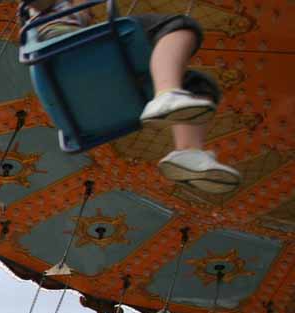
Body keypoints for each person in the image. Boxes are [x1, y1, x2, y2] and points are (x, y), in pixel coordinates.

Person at [23, 1, 240, 193]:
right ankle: (166, 92)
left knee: (200, 86)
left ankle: (188, 152)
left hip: (87, 91)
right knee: (178, 26)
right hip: (69, 49)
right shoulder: (51, 11)